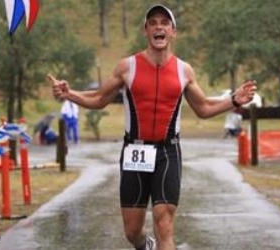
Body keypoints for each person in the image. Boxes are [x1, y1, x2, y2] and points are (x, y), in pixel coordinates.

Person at [48, 4, 257, 250]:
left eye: (165, 22)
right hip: (135, 152)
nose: (159, 26)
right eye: (153, 22)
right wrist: (69, 94)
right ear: (145, 30)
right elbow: (98, 99)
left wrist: (234, 100)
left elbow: (202, 107)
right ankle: (144, 245)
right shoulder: (127, 67)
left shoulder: (184, 70)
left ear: (173, 31)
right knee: (132, 231)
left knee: (164, 220)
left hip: (168, 152)